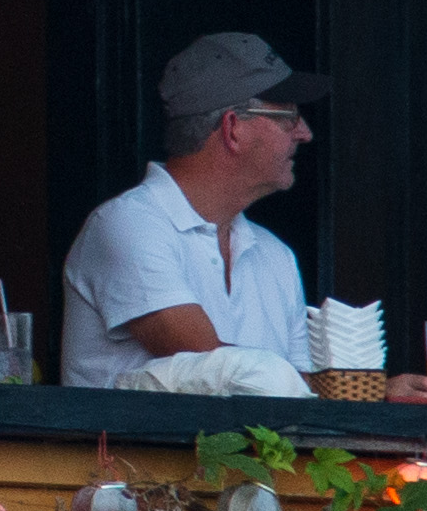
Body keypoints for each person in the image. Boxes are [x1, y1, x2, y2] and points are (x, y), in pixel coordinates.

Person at [61, 32, 325, 389]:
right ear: (233, 128)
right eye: (288, 117)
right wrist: (358, 397)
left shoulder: (275, 255)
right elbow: (222, 373)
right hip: (130, 449)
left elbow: (304, 391)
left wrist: (373, 396)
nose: (304, 133)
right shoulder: (129, 224)